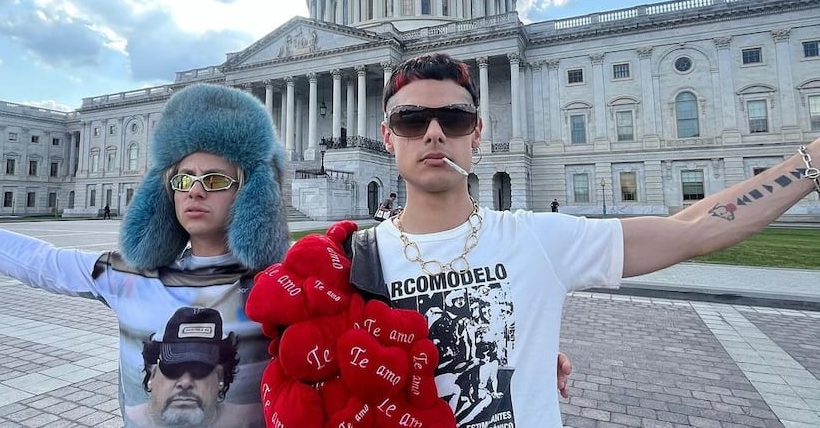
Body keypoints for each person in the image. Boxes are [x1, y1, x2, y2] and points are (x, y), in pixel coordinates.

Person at [343, 52, 820, 428]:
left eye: (454, 119)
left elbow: (695, 230)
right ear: (387, 137)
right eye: (411, 120)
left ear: (477, 134)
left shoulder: (538, 241)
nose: (433, 133)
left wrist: (811, 163)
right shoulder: (347, 263)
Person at [0, 83, 291, 428]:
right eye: (183, 179)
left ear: (252, 194)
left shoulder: (281, 287)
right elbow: (41, 262)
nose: (194, 191)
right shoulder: (130, 277)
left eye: (214, 180)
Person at [126, 307, 240, 428]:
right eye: (174, 368)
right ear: (152, 375)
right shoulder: (132, 417)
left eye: (199, 369)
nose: (185, 382)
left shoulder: (246, 419)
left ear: (220, 377)